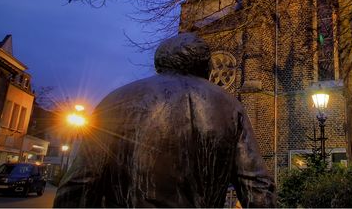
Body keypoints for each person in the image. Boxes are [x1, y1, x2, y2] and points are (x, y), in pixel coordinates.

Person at [54, 33, 275, 208]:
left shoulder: (115, 101)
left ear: (159, 63)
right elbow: (257, 186)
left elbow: (79, 184)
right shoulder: (228, 105)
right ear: (206, 67)